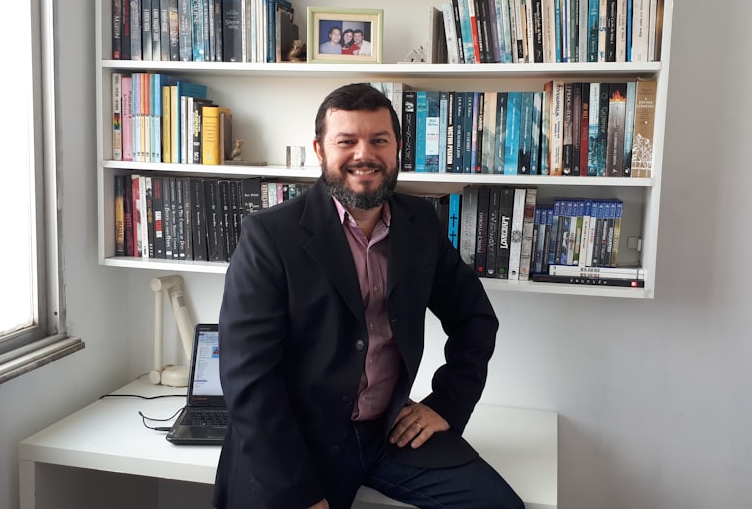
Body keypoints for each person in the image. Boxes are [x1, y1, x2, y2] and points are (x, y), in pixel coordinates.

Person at [213, 83, 523, 509]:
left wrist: (448, 404)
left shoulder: (420, 224)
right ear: (320, 150)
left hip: (387, 433)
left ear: (397, 149)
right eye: (347, 141)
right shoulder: (269, 236)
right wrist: (298, 494)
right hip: (294, 443)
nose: (365, 154)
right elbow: (248, 378)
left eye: (379, 140)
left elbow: (474, 318)